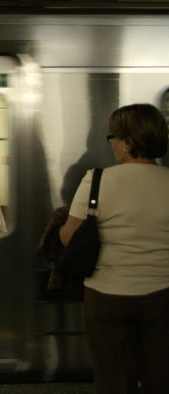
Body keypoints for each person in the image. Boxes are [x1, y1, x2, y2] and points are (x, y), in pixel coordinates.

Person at [60, 103, 169, 393]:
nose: (112, 145)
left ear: (128, 143)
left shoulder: (96, 180)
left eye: (113, 138)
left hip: (107, 297)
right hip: (163, 296)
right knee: (161, 376)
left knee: (114, 381)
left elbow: (69, 237)